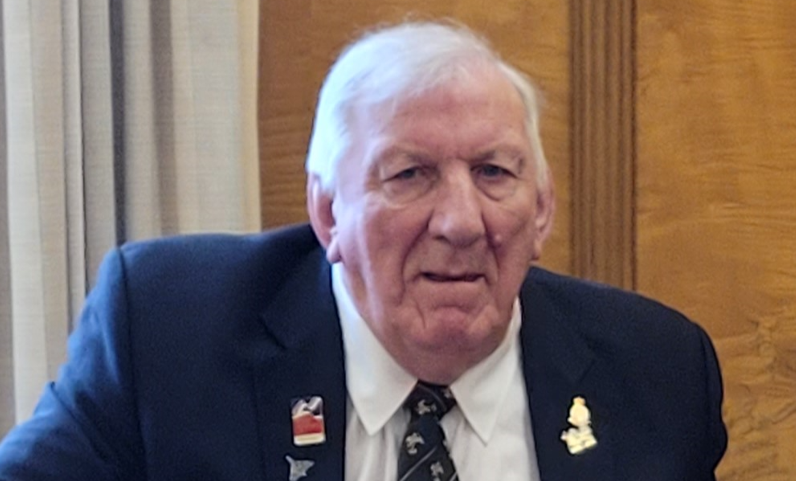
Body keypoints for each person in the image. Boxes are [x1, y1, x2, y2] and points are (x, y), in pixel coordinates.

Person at [0, 20, 727, 480]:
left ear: (542, 209)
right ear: (327, 211)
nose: (460, 221)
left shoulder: (655, 372)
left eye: (493, 173)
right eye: (409, 174)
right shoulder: (168, 331)